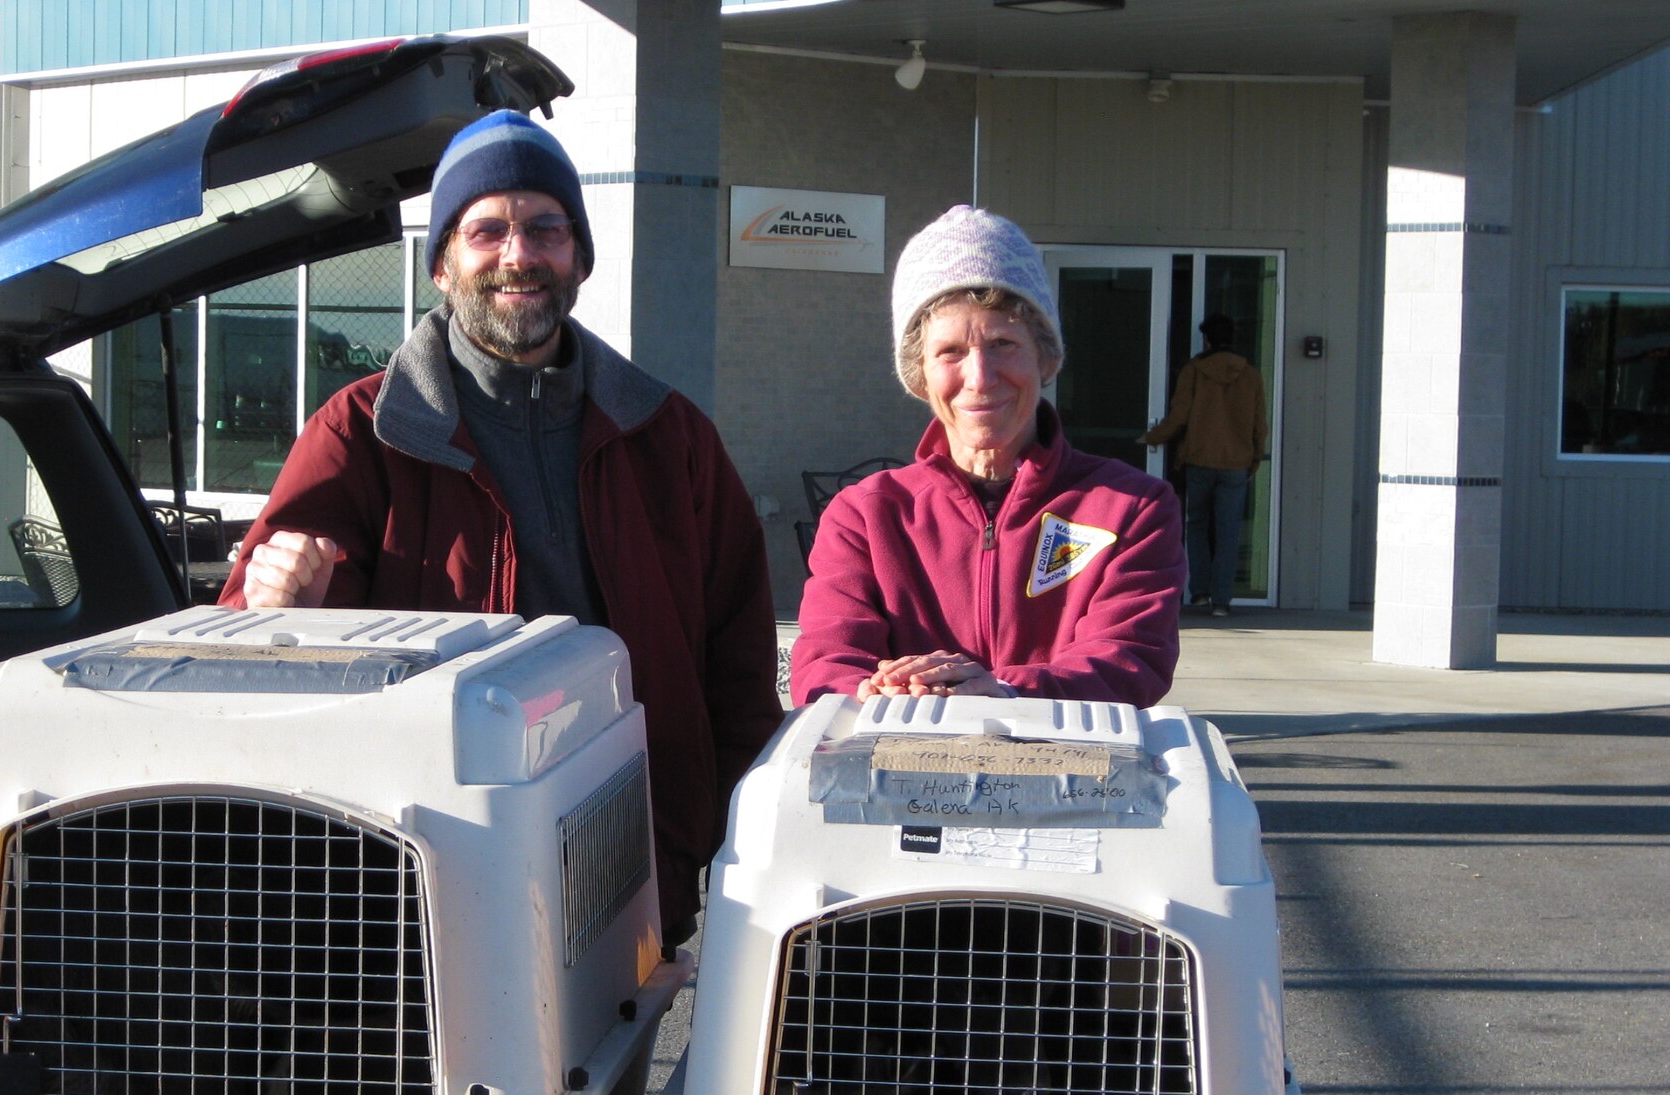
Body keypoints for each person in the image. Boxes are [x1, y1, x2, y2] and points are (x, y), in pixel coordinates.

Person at [220, 110, 781, 947]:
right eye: (487, 230)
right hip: (420, 875)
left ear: (579, 257)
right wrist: (273, 606)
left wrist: (731, 851)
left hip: (630, 868)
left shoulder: (671, 437)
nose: (518, 254)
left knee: (607, 1080)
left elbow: (737, 674)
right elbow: (249, 654)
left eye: (545, 228)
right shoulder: (361, 431)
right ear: (443, 264)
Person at [789, 206, 1184, 709]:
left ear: (1045, 357)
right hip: (900, 776)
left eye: (1002, 343)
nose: (980, 377)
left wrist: (1004, 694)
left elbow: (1130, 658)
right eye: (950, 351)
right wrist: (872, 693)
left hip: (1070, 779)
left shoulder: (1133, 508)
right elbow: (826, 662)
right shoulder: (863, 516)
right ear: (919, 373)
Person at [1142, 312, 1268, 616]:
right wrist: (1253, 460)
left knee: (1196, 526)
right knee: (1227, 532)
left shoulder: (1195, 371)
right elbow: (1259, 424)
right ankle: (1221, 601)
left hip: (1199, 460)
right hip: (1236, 464)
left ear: (1207, 339)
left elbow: (1179, 416)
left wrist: (1151, 438)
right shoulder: (1250, 375)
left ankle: (1199, 591)